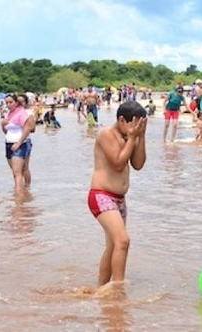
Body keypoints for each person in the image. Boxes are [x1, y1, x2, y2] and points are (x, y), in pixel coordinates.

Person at [88, 101, 147, 285]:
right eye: (134, 124)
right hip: (101, 195)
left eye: (140, 125)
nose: (136, 128)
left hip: (119, 199)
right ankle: (118, 289)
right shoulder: (106, 134)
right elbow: (118, 163)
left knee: (114, 245)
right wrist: (132, 138)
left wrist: (141, 137)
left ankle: (102, 288)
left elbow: (138, 164)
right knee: (123, 241)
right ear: (122, 120)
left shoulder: (131, 136)